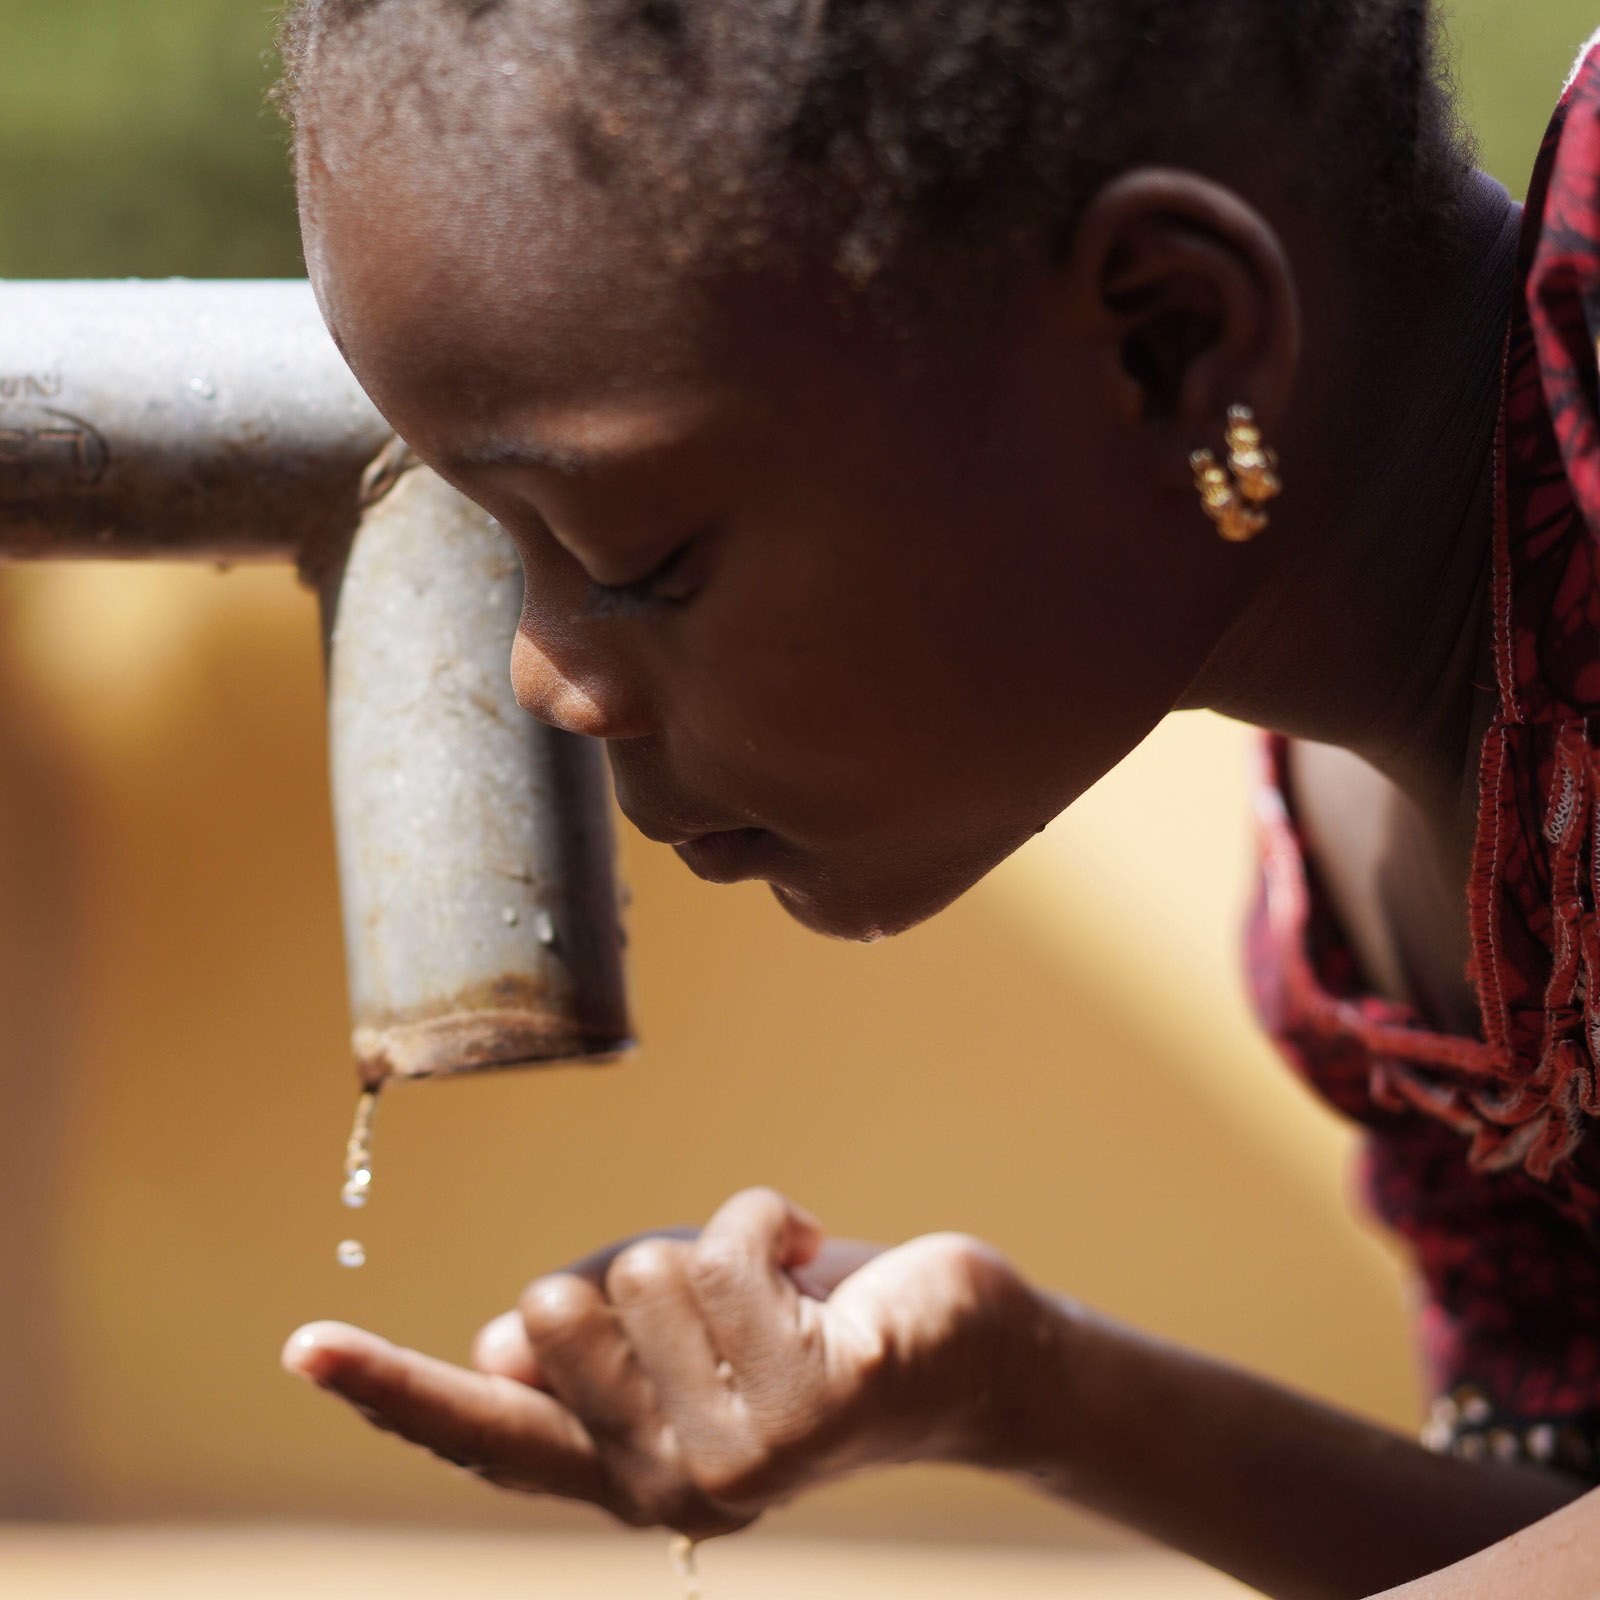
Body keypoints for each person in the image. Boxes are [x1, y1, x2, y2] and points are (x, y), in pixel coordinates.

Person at [272, 3, 1600, 1595]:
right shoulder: (1384, 892)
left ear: (1170, 342)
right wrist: (1023, 1390)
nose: (543, 680)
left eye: (636, 559)